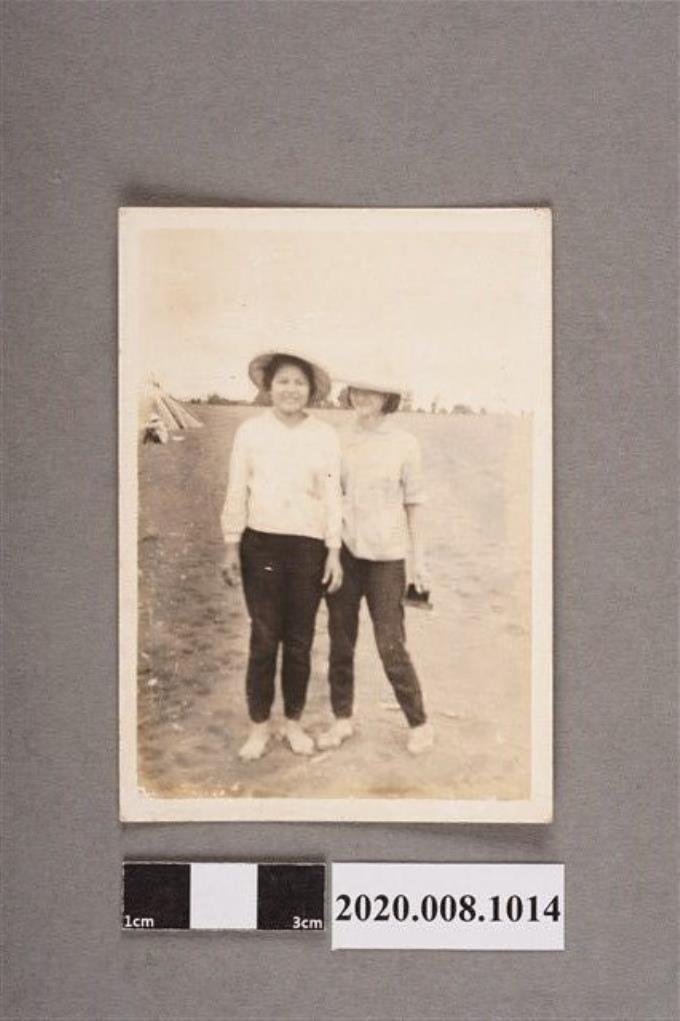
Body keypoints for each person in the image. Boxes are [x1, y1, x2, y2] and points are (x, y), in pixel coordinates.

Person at [221, 351, 343, 761]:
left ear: (311, 390)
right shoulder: (250, 432)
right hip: (261, 546)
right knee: (263, 640)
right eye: (283, 381)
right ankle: (259, 727)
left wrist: (333, 551)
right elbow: (237, 488)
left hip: (309, 548)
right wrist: (231, 544)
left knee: (299, 642)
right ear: (268, 387)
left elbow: (332, 495)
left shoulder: (324, 435)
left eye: (299, 382)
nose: (291, 389)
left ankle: (293, 724)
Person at [318, 378, 435, 755]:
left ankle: (419, 723)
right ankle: (342, 719)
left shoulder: (405, 443)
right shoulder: (337, 438)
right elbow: (329, 496)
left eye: (372, 390)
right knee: (341, 640)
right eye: (356, 389)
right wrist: (331, 549)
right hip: (344, 553)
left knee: (391, 644)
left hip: (388, 557)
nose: (362, 397)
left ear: (387, 397)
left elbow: (414, 504)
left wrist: (419, 561)